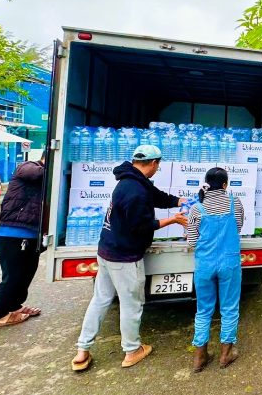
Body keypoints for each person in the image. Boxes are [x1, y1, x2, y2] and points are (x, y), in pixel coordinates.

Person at [71, 145, 187, 371]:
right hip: (124, 256)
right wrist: (173, 220)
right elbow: (141, 227)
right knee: (131, 304)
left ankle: (82, 350)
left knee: (100, 299)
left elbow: (156, 197)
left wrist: (179, 201)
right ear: (153, 163)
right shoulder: (135, 190)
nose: (158, 168)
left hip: (106, 249)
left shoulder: (130, 180)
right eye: (158, 165)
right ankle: (132, 350)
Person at [186, 167, 245, 372]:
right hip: (229, 262)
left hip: (205, 264)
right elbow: (238, 228)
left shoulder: (196, 208)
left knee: (203, 310)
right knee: (229, 308)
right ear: (225, 185)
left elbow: (192, 241)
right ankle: (225, 354)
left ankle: (200, 356)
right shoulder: (234, 203)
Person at [0, 152, 46, 327]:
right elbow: (37, 174)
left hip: (31, 234)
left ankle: (14, 306)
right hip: (14, 233)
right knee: (13, 276)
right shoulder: (27, 167)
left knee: (26, 274)